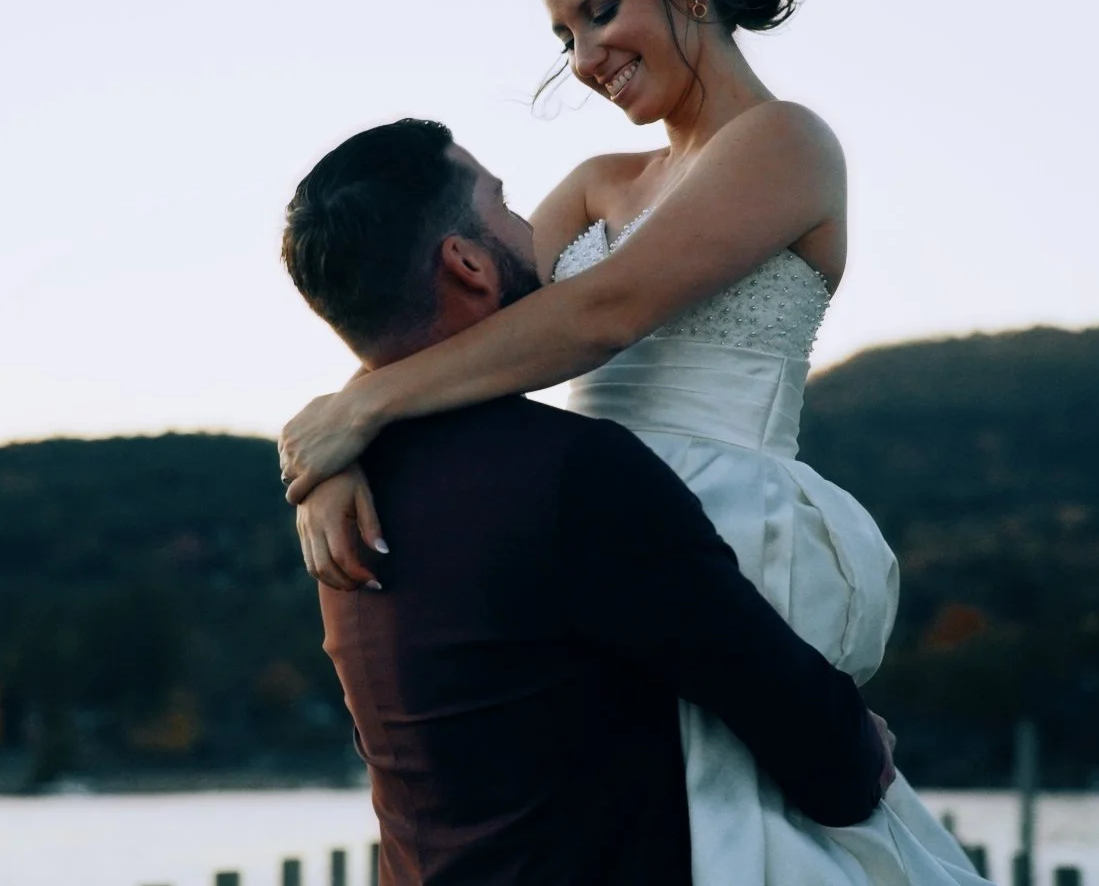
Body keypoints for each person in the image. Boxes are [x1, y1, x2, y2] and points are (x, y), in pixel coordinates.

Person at [278, 0, 987, 884]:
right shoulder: (599, 184)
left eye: (601, 12)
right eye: (565, 33)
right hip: (567, 525)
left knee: (745, 826)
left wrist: (360, 413)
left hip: (721, 523)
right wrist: (343, 442)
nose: (584, 58)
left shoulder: (785, 145)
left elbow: (605, 315)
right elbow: (450, 321)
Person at [281, 118, 897, 885]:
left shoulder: (354, 494)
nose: (533, 229)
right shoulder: (575, 475)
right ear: (467, 263)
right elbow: (803, 732)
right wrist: (863, 747)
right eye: (503, 204)